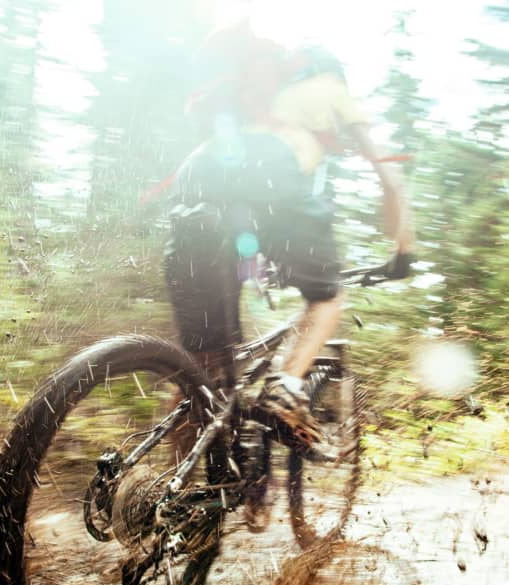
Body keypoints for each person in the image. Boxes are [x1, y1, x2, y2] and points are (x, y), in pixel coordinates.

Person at [163, 20, 415, 454]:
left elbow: (235, 209)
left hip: (197, 184)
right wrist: (403, 249)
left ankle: (168, 490)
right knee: (328, 298)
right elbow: (389, 177)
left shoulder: (249, 94)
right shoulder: (329, 85)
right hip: (271, 181)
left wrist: (252, 262)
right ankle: (286, 388)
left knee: (203, 370)